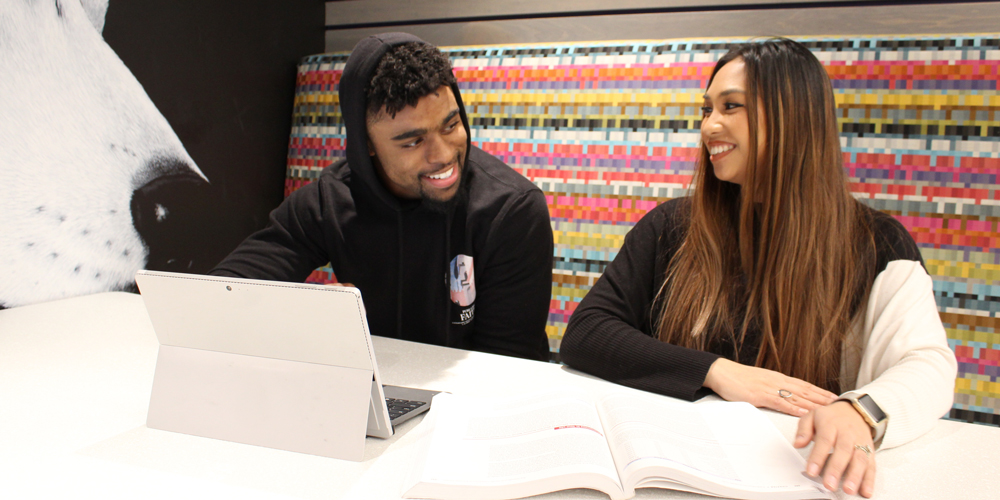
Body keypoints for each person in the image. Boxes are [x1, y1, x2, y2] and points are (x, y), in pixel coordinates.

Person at [559, 38, 956, 498]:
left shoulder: (876, 243)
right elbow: (587, 332)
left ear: (793, 117)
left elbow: (928, 366)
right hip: (673, 473)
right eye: (706, 110)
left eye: (731, 107)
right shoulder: (672, 226)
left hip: (801, 476)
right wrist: (718, 371)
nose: (710, 125)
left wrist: (860, 412)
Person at [211, 33, 553, 362]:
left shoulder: (511, 211)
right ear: (367, 146)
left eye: (450, 125)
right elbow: (219, 296)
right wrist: (305, 314)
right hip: (372, 392)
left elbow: (507, 369)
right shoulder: (330, 200)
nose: (443, 155)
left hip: (479, 401)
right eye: (412, 141)